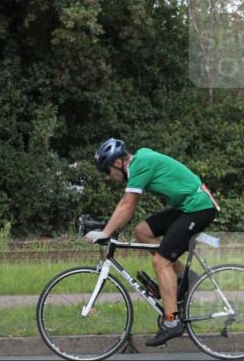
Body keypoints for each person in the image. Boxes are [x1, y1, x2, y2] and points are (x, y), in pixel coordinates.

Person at [85, 138, 219, 346]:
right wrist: (108, 228)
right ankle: (185, 279)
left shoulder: (139, 165)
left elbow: (127, 204)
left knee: (160, 261)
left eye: (107, 171)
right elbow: (128, 206)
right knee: (142, 231)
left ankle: (172, 322)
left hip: (198, 207)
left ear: (118, 163)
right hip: (187, 206)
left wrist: (106, 232)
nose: (107, 177)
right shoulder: (140, 160)